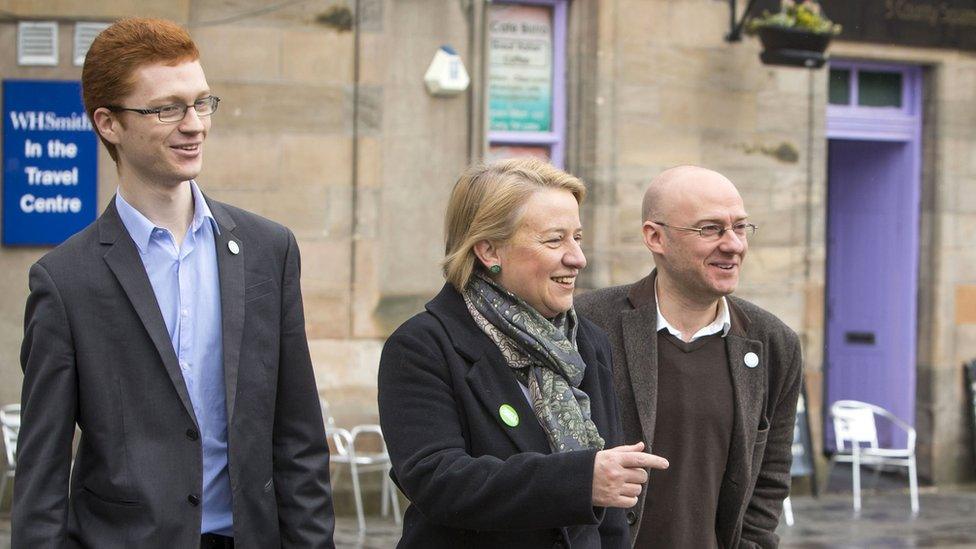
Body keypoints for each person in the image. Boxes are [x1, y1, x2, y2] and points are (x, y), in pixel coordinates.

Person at [13, 18, 334, 548]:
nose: (195, 124)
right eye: (167, 108)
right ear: (109, 124)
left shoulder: (268, 250)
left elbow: (298, 438)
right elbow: (41, 472)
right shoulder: (65, 280)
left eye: (202, 102)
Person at [377, 158, 668, 548]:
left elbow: (610, 512)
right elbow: (437, 480)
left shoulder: (586, 342)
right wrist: (580, 480)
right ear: (489, 251)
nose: (577, 258)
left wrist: (596, 484)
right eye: (554, 240)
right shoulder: (424, 345)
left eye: (577, 238)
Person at [575, 165, 802, 548]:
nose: (733, 244)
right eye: (710, 229)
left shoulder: (773, 343)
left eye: (740, 227)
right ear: (655, 237)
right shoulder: (589, 325)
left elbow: (769, 480)